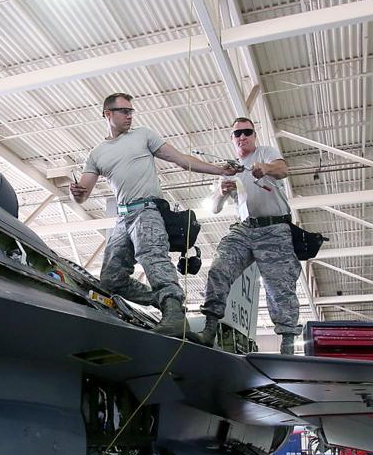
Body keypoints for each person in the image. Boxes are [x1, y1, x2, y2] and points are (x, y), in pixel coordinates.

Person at [70, 94, 240, 337]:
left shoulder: (143, 135)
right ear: (108, 114)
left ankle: (174, 314)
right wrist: (74, 192)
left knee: (154, 258)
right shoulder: (97, 154)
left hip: (147, 210)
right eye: (124, 111)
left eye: (131, 111)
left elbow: (181, 160)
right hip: (122, 218)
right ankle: (164, 302)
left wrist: (219, 170)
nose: (130, 115)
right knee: (110, 279)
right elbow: (82, 194)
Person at [199, 117, 301, 354]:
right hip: (245, 229)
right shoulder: (229, 169)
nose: (242, 137)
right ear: (232, 138)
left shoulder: (265, 153)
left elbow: (283, 169)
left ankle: (287, 343)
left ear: (254, 135)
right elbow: (214, 208)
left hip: (274, 229)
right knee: (219, 268)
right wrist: (222, 190)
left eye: (247, 132)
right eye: (238, 134)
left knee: (279, 285)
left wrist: (265, 168)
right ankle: (210, 327)